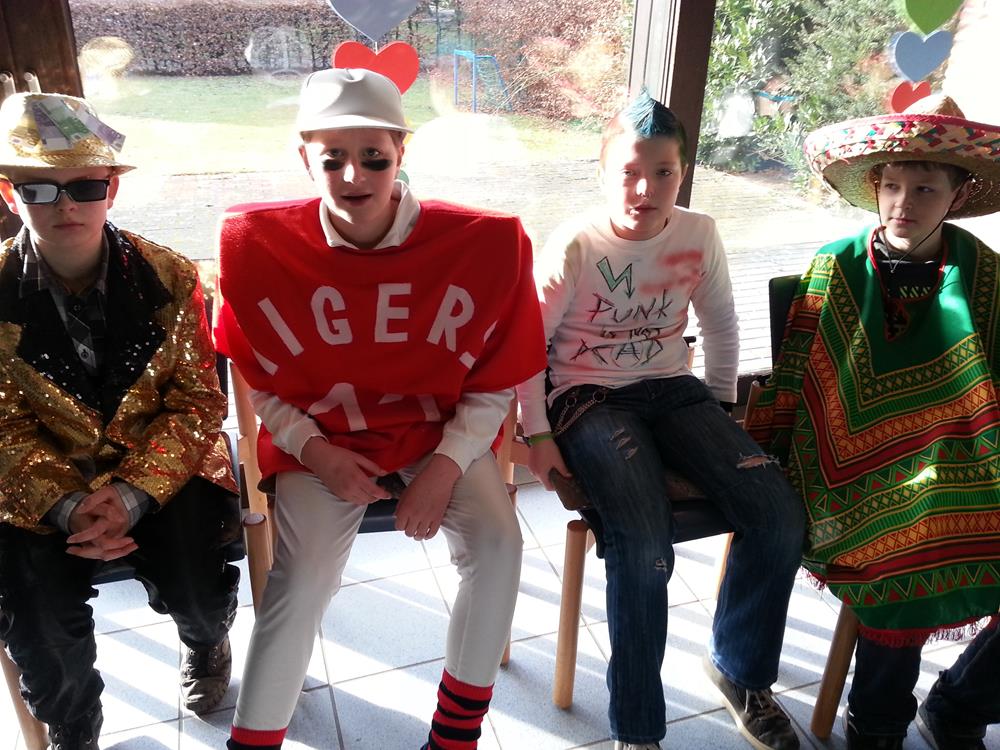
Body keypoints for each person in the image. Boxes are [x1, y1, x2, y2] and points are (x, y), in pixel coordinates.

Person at [213, 67, 546, 750]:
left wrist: (446, 467)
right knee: (301, 580)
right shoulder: (256, 243)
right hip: (324, 439)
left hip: (437, 434)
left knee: (499, 546)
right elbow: (259, 381)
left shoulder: (482, 242)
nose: (352, 175)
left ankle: (454, 739)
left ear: (401, 151)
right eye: (332, 157)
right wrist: (316, 452)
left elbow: (492, 382)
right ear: (304, 157)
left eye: (373, 156)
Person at [515, 90, 805, 750]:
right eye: (629, 172)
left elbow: (721, 325)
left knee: (779, 515)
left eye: (663, 172)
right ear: (602, 172)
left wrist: (721, 414)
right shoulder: (578, 243)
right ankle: (638, 729)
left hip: (675, 390)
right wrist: (537, 433)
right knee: (643, 544)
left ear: (683, 172)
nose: (645, 189)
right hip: (589, 397)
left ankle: (740, 673)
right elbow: (527, 347)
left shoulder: (698, 233)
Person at [746, 94, 1000, 750]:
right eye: (891, 186)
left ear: (958, 193)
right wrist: (768, 454)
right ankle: (877, 719)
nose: (902, 203)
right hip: (845, 469)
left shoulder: (985, 274)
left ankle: (960, 705)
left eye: (924, 188)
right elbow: (799, 379)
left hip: (971, 460)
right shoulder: (836, 265)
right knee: (906, 539)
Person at [0, 92, 240, 750]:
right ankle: (74, 724)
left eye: (84, 186)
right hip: (39, 483)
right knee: (36, 613)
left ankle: (207, 640)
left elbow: (197, 402)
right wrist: (69, 505)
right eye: (39, 188)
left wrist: (131, 495)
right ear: (9, 193)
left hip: (162, 466)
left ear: (111, 189)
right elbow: (3, 427)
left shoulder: (170, 276)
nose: (66, 206)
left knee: (196, 578)